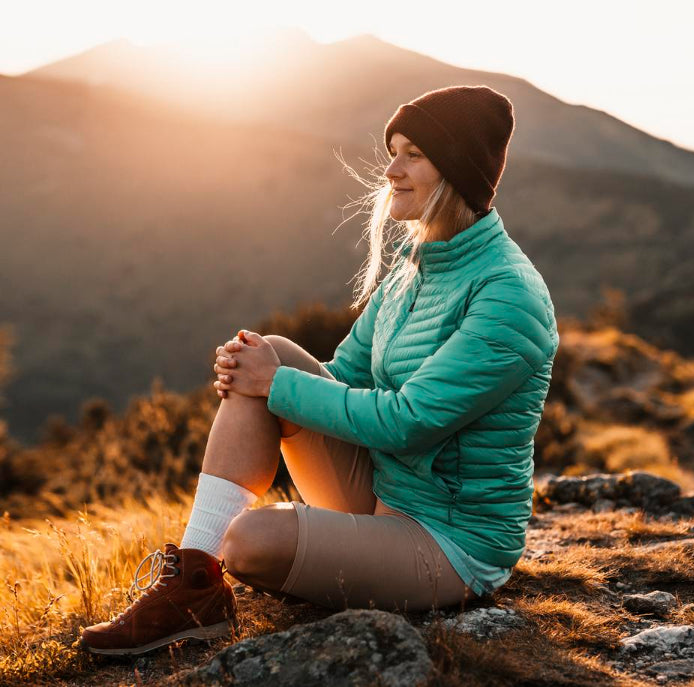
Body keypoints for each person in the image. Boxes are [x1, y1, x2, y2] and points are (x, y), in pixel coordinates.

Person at [77, 84, 558, 657]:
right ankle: (194, 583)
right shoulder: (414, 270)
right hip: (381, 488)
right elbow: (343, 374)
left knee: (251, 541)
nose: (391, 170)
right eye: (394, 150)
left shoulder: (508, 294)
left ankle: (214, 565)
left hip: (451, 543)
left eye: (413, 155)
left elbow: (412, 422)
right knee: (271, 349)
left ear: (456, 171)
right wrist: (255, 375)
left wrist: (272, 385)